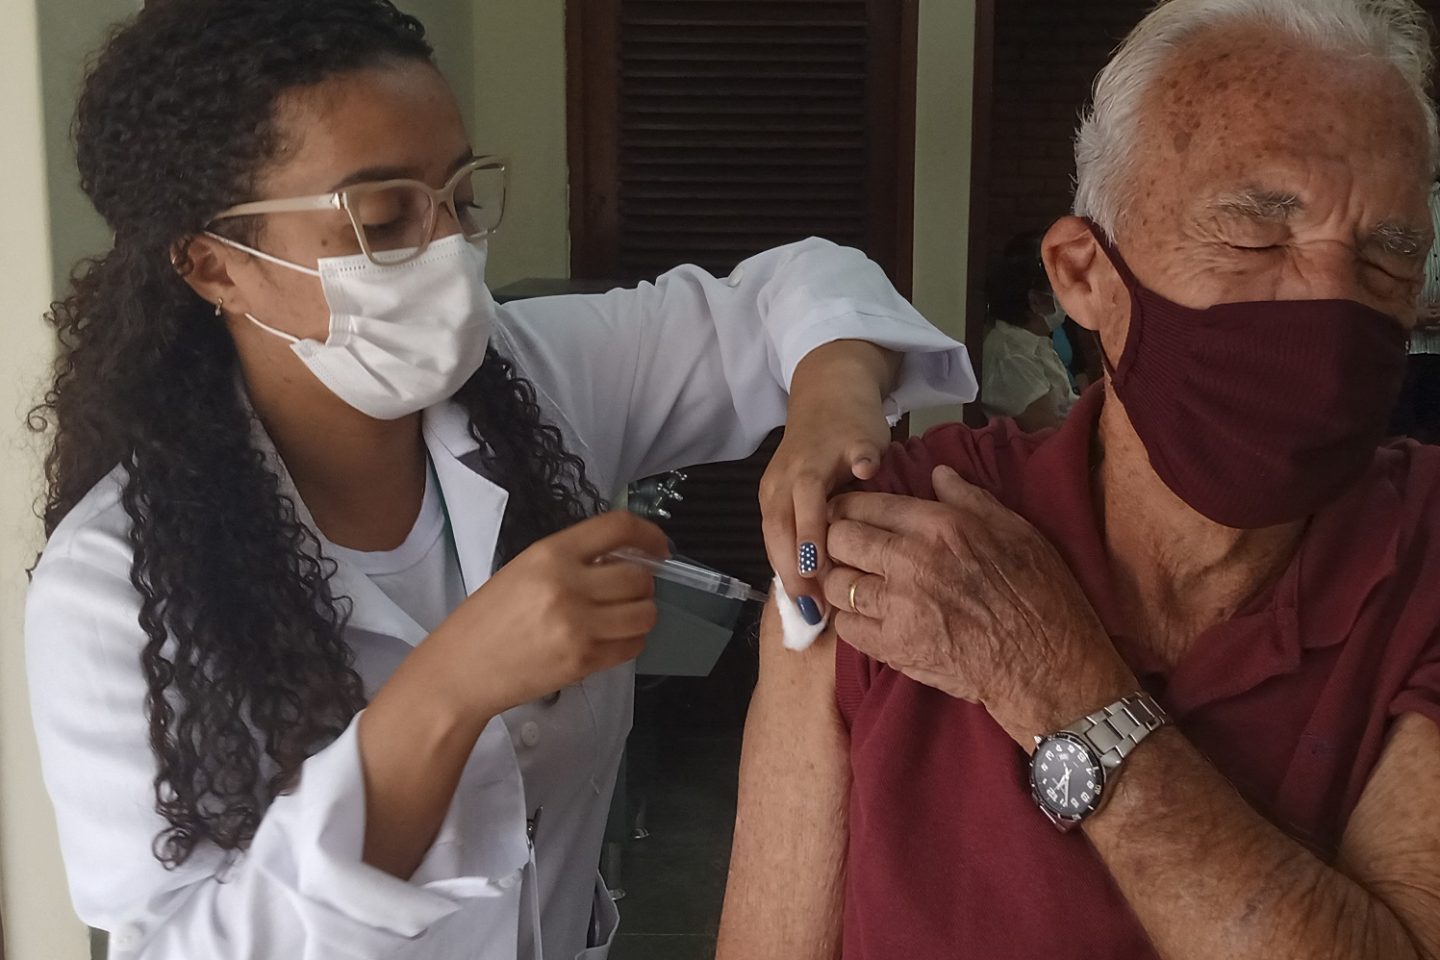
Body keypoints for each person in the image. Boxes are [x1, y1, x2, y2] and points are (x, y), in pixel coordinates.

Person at [22, 3, 975, 958]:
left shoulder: (529, 381)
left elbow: (799, 289)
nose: (447, 252)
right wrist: (451, 689)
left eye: (460, 198)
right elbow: (182, 945)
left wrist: (829, 401)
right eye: (384, 217)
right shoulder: (112, 588)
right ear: (214, 265)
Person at [718, 1, 1440, 958]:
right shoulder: (898, 532)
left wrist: (1058, 682)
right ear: (1082, 275)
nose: (1329, 305)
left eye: (1388, 262)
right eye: (1259, 239)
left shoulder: (1425, 553)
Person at [980, 237, 1079, 430]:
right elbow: (1046, 426)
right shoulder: (1010, 354)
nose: (1063, 295)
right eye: (1056, 289)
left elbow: (1066, 403)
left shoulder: (1037, 342)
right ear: (1034, 301)